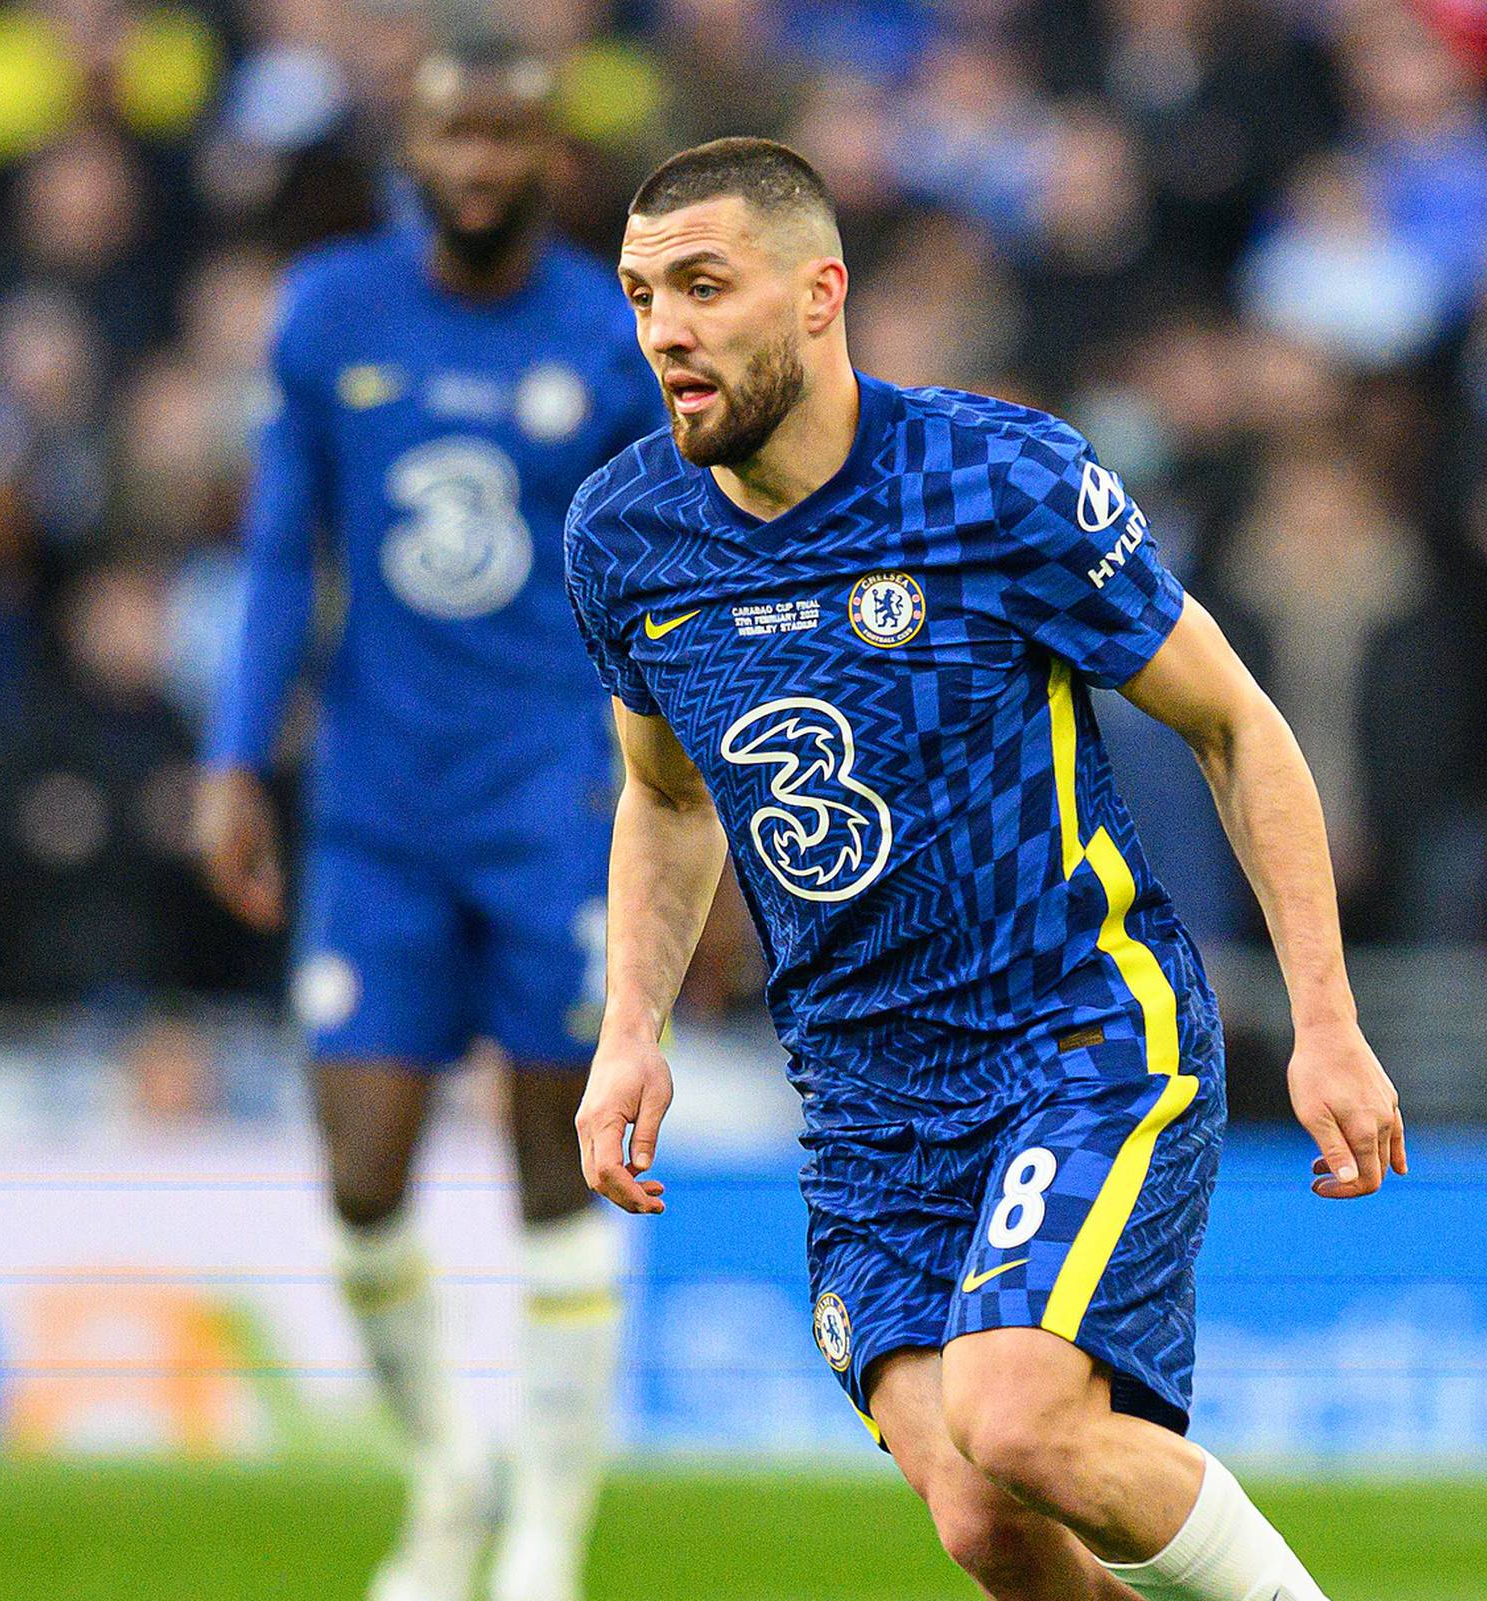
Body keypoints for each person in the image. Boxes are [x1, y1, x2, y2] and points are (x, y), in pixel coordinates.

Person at [565, 137, 1407, 1601]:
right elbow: (665, 796)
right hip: (867, 1101)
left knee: (1019, 1414)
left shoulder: (997, 481)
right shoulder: (629, 537)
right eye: (643, 294)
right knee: (984, 1520)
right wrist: (626, 1031)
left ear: (821, 294)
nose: (665, 332)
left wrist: (1328, 1024)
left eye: (705, 286)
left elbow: (1237, 725)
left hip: (1076, 1030)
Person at [195, 40, 659, 1601]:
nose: (480, 160)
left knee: (556, 1170)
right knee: (364, 1177)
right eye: (457, 131)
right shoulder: (332, 310)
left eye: (509, 134)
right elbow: (279, 550)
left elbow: (655, 593)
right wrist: (235, 755)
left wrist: (687, 823)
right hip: (378, 810)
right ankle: (451, 1473)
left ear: (549, 154)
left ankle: (544, 1536)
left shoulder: (607, 334)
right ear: (415, 143)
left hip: (551, 804)